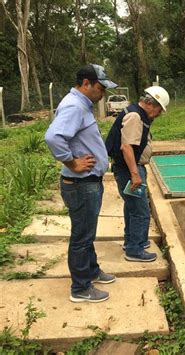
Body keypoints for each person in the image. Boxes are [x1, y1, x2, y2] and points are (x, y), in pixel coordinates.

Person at [45, 64, 118, 303]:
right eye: (100, 88)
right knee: (82, 236)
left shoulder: (80, 105)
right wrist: (72, 162)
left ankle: (91, 270)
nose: (102, 93)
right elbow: (53, 137)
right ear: (86, 83)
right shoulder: (74, 106)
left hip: (88, 183)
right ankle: (80, 288)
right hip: (81, 183)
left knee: (87, 232)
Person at [105, 86, 169, 262]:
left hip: (127, 168)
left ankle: (133, 240)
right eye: (159, 109)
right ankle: (135, 250)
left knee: (132, 207)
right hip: (128, 170)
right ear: (150, 103)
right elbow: (126, 147)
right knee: (141, 210)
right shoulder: (135, 116)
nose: (159, 114)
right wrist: (135, 174)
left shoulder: (137, 113)